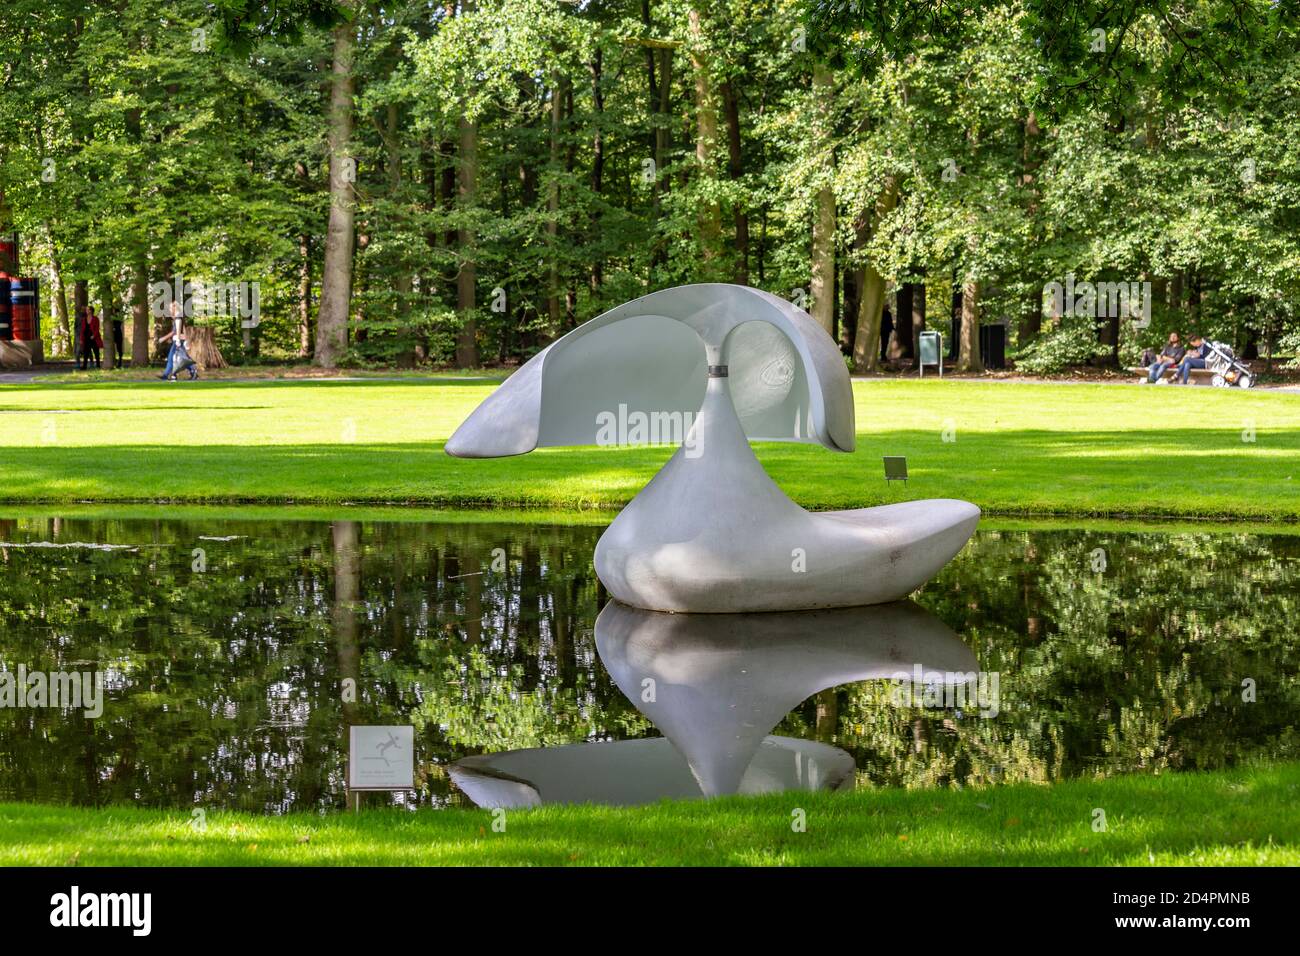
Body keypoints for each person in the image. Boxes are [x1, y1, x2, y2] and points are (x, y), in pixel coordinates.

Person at [158, 299, 198, 380]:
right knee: (180, 358)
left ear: (174, 307)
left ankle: (167, 375)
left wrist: (177, 340)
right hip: (180, 340)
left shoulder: (178, 318)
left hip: (178, 341)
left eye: (170, 307)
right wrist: (185, 340)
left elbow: (176, 331)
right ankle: (191, 372)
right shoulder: (179, 317)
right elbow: (183, 329)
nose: (169, 309)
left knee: (173, 358)